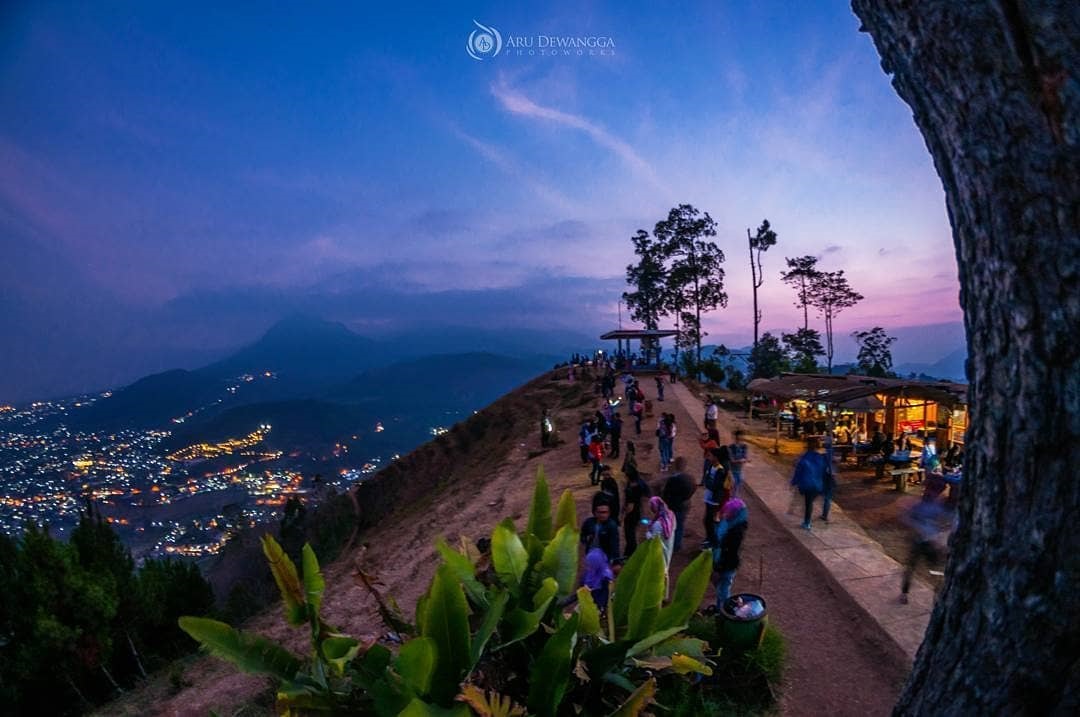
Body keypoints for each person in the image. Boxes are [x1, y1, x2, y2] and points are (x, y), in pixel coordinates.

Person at [900, 495, 952, 604]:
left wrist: (940, 539)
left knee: (934, 570)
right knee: (911, 567)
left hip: (930, 544)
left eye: (935, 488)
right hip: (919, 542)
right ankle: (904, 592)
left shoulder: (939, 507)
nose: (932, 491)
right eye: (931, 487)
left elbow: (946, 524)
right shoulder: (920, 506)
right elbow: (906, 519)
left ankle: (937, 595)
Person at [712, 497, 749, 608]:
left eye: (729, 512)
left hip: (727, 565)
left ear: (734, 514)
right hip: (722, 561)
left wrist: (718, 568)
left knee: (723, 589)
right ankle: (720, 608)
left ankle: (723, 611)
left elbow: (730, 553)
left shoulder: (736, 532)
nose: (726, 514)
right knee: (720, 587)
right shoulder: (731, 523)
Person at [791, 437, 828, 530]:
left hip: (807, 484)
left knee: (808, 503)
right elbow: (824, 470)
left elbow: (799, 470)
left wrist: (794, 481)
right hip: (817, 484)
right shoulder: (820, 457)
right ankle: (807, 521)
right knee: (809, 502)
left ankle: (807, 522)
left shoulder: (805, 457)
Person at [661, 456, 696, 551]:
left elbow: (666, 492)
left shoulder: (672, 479)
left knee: (670, 525)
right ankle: (677, 545)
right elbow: (694, 489)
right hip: (684, 504)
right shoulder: (690, 478)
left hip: (673, 505)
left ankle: (669, 544)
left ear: (675, 466)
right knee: (680, 525)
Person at [645, 496, 677, 593]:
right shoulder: (671, 515)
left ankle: (660, 594)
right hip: (669, 545)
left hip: (661, 549)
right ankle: (665, 594)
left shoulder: (658, 524)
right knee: (666, 569)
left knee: (660, 571)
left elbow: (653, 538)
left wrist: (647, 533)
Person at [703, 446, 732, 546]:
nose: (708, 457)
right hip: (709, 497)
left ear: (716, 457)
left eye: (710, 456)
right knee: (708, 520)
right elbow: (707, 479)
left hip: (714, 498)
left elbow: (715, 485)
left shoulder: (720, 469)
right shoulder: (712, 466)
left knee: (709, 520)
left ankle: (713, 541)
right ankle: (710, 538)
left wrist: (708, 483)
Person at [622, 462, 651, 557]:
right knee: (632, 533)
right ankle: (629, 551)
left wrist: (623, 516)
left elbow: (630, 506)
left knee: (629, 534)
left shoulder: (632, 488)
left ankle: (631, 553)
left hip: (632, 514)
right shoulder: (640, 482)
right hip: (639, 510)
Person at [728, 429, 749, 495]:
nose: (740, 439)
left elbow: (745, 457)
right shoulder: (731, 447)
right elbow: (731, 460)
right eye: (738, 437)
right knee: (731, 487)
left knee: (738, 486)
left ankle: (734, 499)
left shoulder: (744, 446)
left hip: (739, 470)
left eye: (741, 437)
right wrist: (740, 460)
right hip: (732, 470)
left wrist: (745, 460)